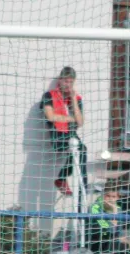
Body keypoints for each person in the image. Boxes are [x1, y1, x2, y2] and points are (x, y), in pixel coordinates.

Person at [41, 66, 87, 196]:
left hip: (71, 134)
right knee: (77, 150)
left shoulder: (76, 99)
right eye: (66, 81)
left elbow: (80, 121)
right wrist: (70, 118)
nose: (68, 85)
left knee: (82, 150)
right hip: (58, 134)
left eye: (71, 82)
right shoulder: (49, 95)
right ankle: (62, 179)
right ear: (60, 80)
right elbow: (50, 116)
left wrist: (72, 99)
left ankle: (77, 182)